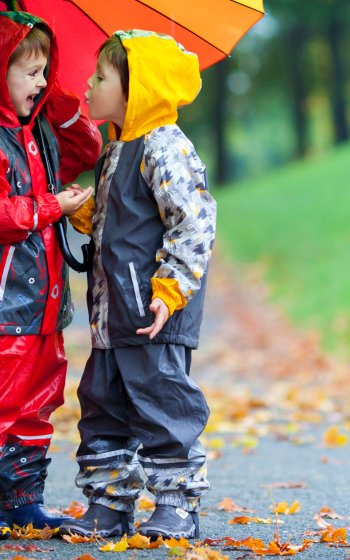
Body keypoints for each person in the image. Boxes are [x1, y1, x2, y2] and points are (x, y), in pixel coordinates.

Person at [0, 11, 100, 537]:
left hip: (44, 303)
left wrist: (55, 99)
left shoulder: (36, 133)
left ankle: (20, 497)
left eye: (45, 71)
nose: (41, 81)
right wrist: (51, 206)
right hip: (1, 305)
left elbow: (86, 149)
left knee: (38, 400)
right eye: (31, 73)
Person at [58, 30, 217, 541]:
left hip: (153, 313)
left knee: (163, 405)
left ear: (137, 90)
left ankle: (177, 505)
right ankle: (108, 505)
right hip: (112, 316)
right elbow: (125, 221)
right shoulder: (117, 148)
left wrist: (169, 291)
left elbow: (192, 223)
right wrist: (85, 211)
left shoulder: (165, 146)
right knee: (102, 406)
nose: (89, 84)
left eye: (100, 77)